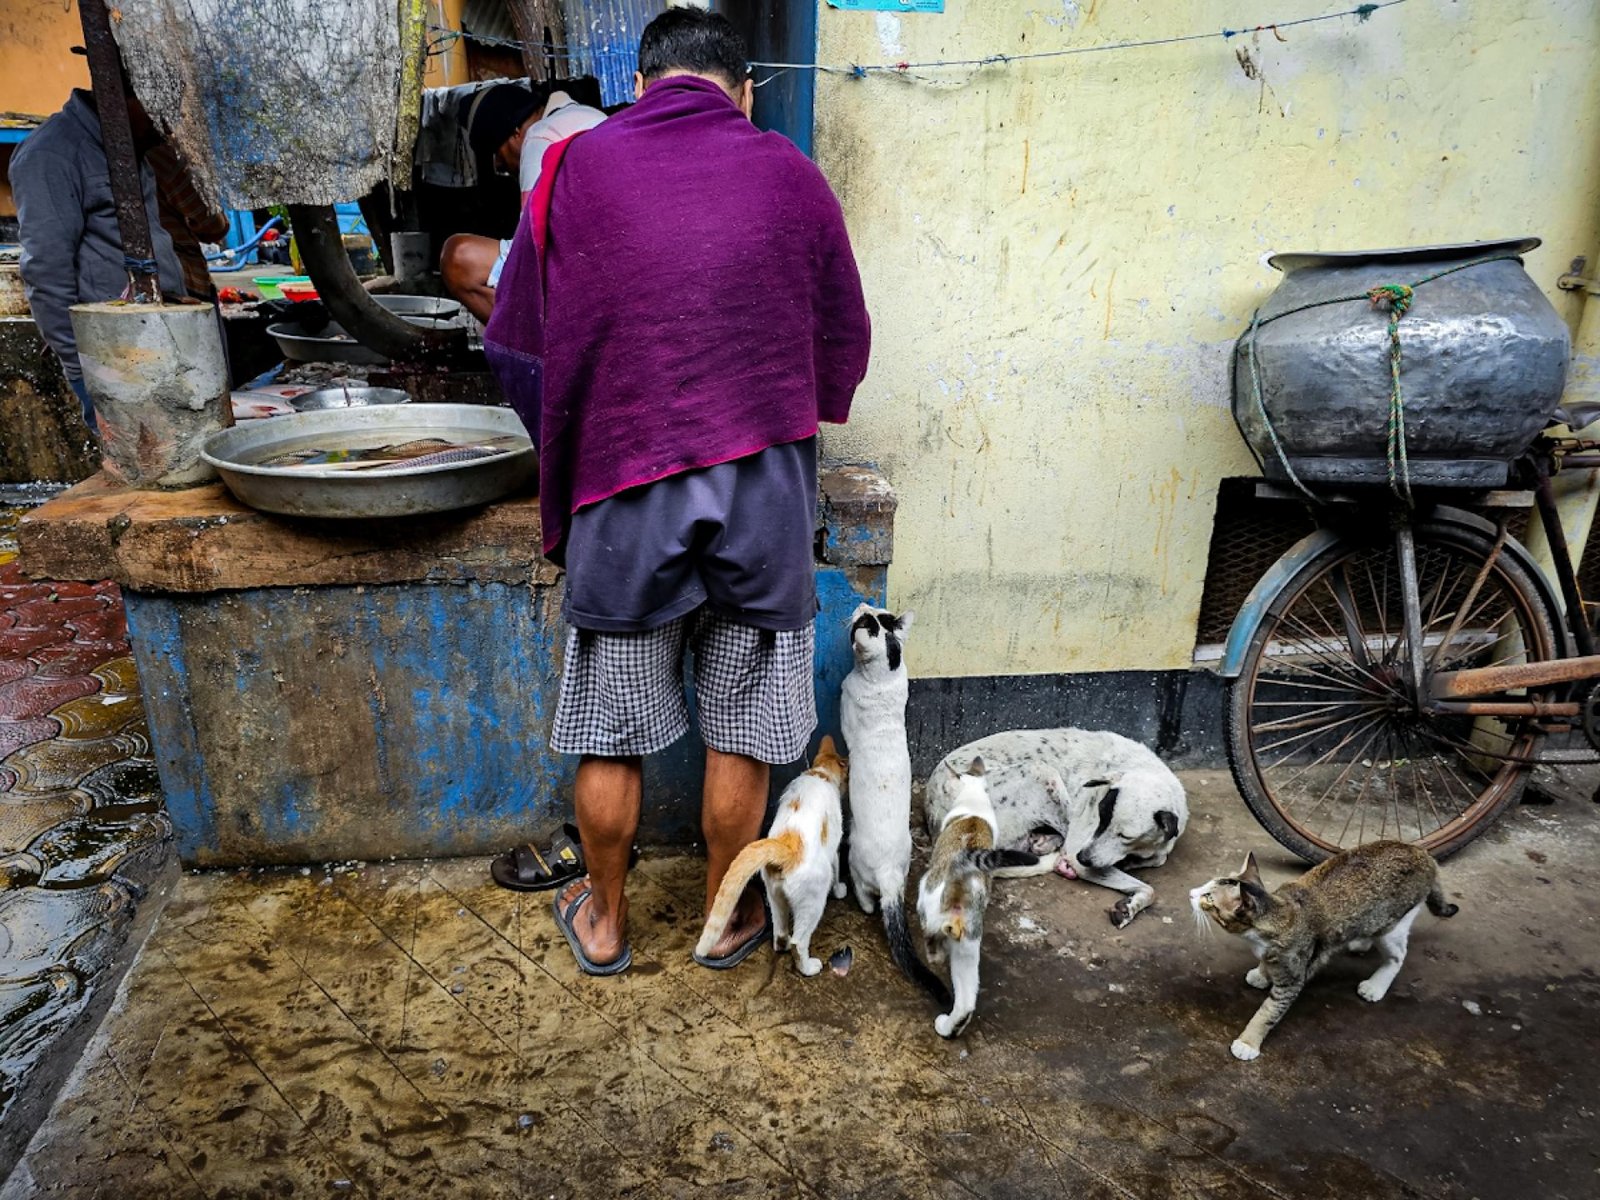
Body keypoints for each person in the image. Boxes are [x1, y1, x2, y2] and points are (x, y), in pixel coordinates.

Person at [483, 9, 871, 975]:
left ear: (643, 84)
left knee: (610, 728)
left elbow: (518, 343)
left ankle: (607, 923)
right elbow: (845, 342)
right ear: (743, 89)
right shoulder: (792, 172)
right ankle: (722, 917)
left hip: (622, 488)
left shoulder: (574, 169)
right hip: (764, 491)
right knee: (743, 728)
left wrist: (573, 453)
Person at [8, 66, 187, 426]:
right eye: (162, 110)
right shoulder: (50, 155)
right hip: (112, 358)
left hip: (161, 340)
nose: (168, 123)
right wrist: (81, 370)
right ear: (127, 101)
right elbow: (46, 270)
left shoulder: (128, 147)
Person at [441, 79, 606, 323]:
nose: (500, 165)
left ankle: (531, 352)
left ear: (516, 130)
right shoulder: (593, 116)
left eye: (498, 152)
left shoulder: (540, 137)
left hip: (587, 277)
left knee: (457, 256)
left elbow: (532, 250)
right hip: (613, 263)